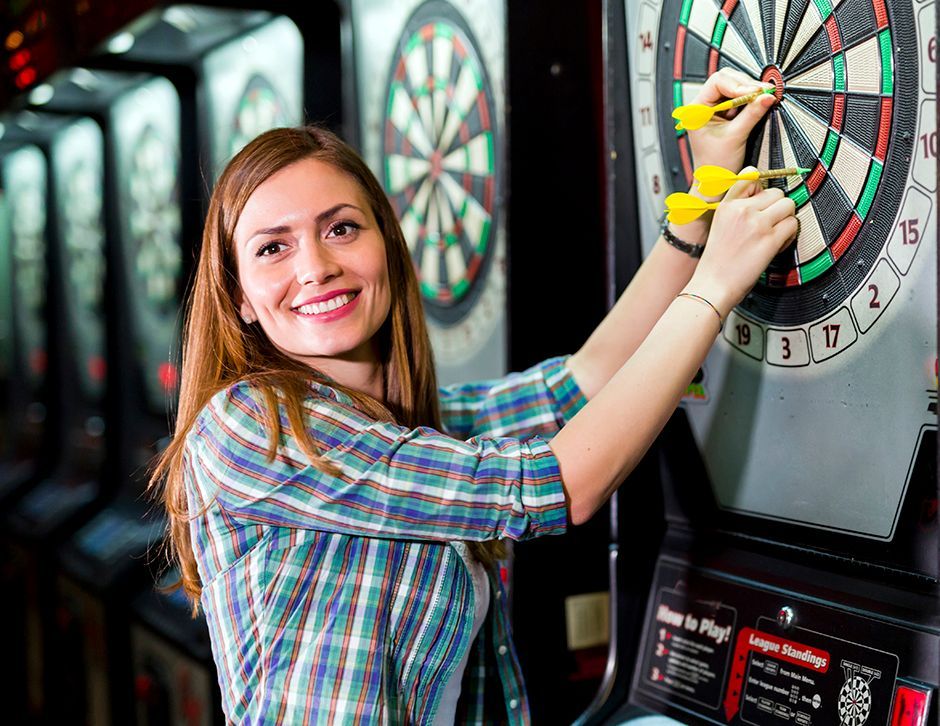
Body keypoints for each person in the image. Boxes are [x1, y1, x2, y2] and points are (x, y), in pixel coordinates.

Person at [150, 67, 793, 724]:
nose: (315, 266)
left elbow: (589, 378)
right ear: (238, 298)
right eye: (272, 248)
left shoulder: (425, 428)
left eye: (341, 228)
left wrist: (706, 195)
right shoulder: (255, 427)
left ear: (387, 246)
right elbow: (563, 484)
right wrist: (713, 288)